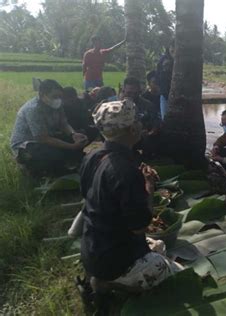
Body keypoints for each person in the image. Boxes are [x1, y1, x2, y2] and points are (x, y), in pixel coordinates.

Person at [80, 99, 182, 293]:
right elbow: (140, 226)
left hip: (93, 247)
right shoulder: (126, 171)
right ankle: (109, 284)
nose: (141, 124)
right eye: (137, 121)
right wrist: (149, 186)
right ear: (132, 130)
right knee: (170, 272)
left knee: (159, 246)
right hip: (112, 260)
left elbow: (88, 195)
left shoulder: (91, 156)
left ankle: (103, 277)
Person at [10, 79, 88, 176]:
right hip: (27, 144)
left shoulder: (57, 105)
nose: (58, 99)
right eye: (55, 96)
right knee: (54, 154)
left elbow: (63, 124)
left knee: (81, 136)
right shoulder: (33, 109)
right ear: (43, 95)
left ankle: (70, 163)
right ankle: (32, 168)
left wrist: (73, 134)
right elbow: (43, 138)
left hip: (49, 137)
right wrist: (71, 146)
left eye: (60, 97)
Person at [121, 77, 161, 159]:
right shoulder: (113, 105)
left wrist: (152, 131)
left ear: (140, 91)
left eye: (135, 93)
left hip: (141, 137)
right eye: (129, 93)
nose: (132, 95)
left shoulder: (148, 105)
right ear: (123, 89)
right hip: (120, 137)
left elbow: (156, 122)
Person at [156, 44, 175, 119]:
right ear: (169, 48)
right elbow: (158, 76)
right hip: (165, 94)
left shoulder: (182, 60)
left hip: (177, 94)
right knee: (165, 118)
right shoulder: (163, 60)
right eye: (172, 49)